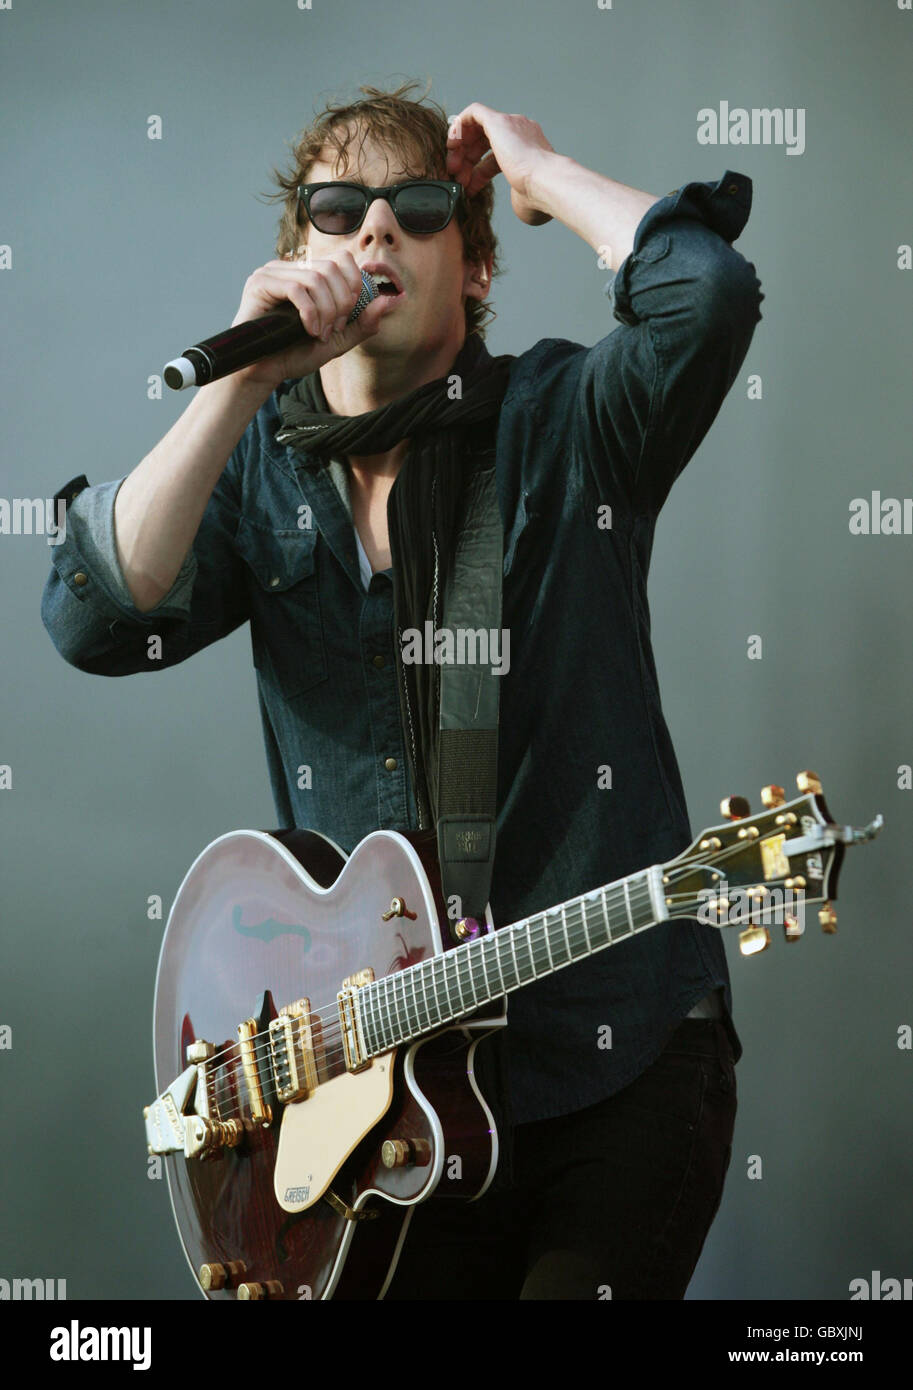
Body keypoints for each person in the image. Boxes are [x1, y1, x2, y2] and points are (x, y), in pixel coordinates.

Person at [41, 79, 763, 1299]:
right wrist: (240, 384)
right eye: (337, 208)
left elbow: (709, 296)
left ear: (473, 269)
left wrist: (536, 176)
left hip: (613, 1062)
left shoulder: (563, 421)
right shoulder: (257, 473)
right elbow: (94, 617)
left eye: (416, 208)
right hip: (388, 1111)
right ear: (294, 258)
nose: (372, 231)